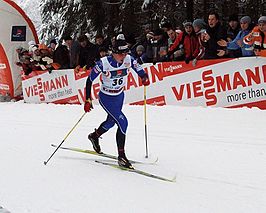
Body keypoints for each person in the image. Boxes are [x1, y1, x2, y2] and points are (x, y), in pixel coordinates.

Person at [84, 35, 150, 169]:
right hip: (106, 97)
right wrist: (88, 99)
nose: (124, 55)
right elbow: (89, 80)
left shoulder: (129, 60)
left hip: (119, 96)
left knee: (111, 121)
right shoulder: (103, 63)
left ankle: (94, 136)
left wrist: (144, 77)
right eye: (121, 53)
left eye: (126, 52)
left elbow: (140, 71)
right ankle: (121, 156)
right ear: (113, 53)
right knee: (123, 122)